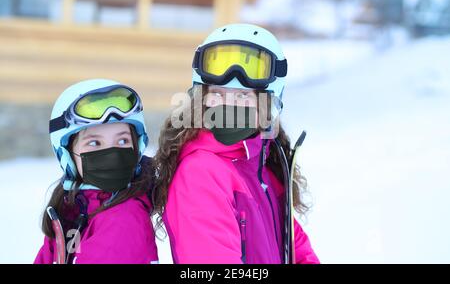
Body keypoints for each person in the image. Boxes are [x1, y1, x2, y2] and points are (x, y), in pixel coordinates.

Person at [152, 24, 319, 264]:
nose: (228, 106)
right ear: (201, 99)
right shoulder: (201, 174)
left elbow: (297, 250)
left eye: (243, 96)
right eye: (218, 94)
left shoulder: (262, 164)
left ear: (268, 104)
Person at [34, 79, 158, 264]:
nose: (112, 154)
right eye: (94, 143)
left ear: (137, 147)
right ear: (67, 155)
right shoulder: (73, 211)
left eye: (123, 141)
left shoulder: (121, 221)